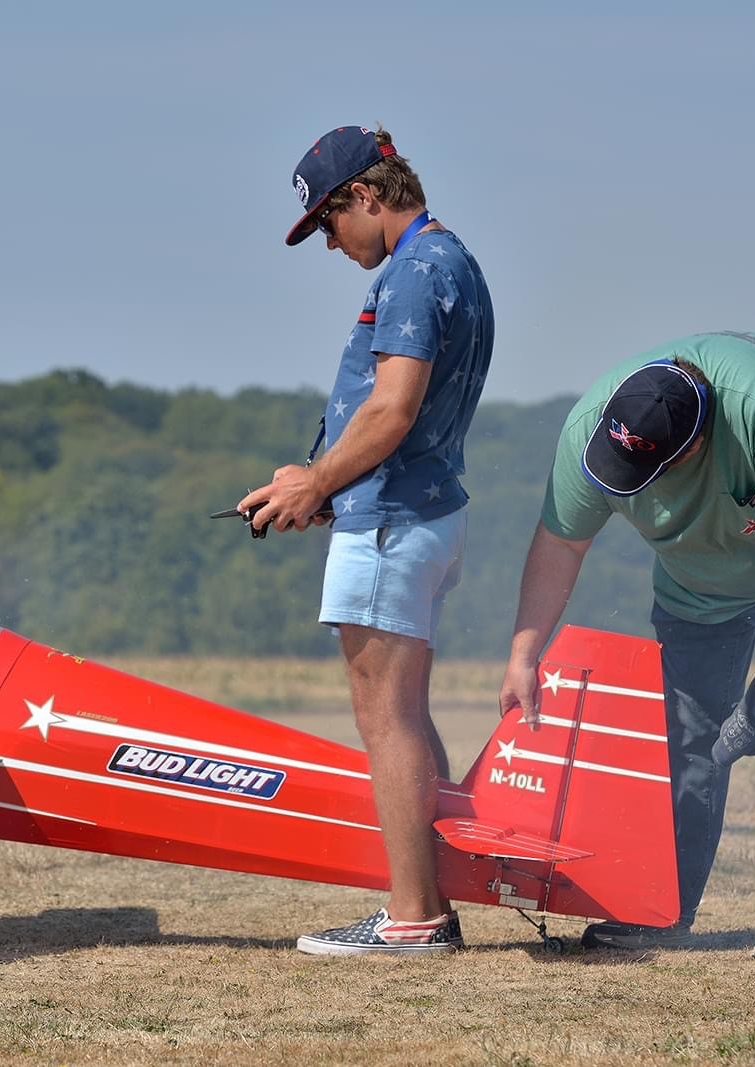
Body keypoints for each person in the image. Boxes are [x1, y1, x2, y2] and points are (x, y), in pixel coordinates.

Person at [498, 331, 755, 958]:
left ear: (696, 444)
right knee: (686, 736)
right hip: (694, 579)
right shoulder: (589, 431)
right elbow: (562, 542)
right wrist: (523, 655)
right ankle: (664, 910)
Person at [238, 125, 494, 955]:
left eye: (327, 222)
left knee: (385, 717)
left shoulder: (415, 272)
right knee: (404, 714)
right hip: (408, 506)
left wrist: (322, 483)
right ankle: (432, 902)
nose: (328, 242)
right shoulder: (449, 260)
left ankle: (414, 917)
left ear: (369, 197)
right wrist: (311, 480)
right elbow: (388, 421)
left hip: (392, 517)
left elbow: (391, 409)